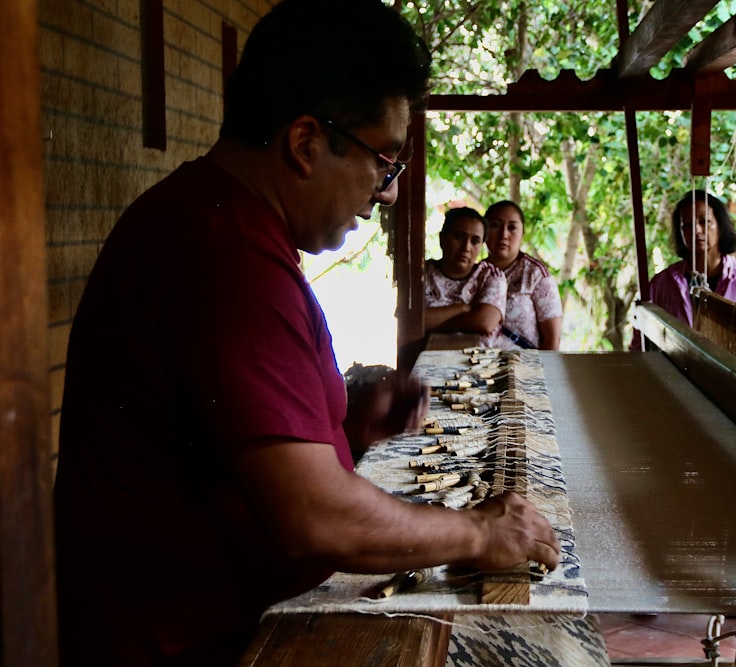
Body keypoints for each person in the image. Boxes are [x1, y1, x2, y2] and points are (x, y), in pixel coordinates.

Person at [53, 2, 559, 665]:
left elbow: (224, 454)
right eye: (384, 161)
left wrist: (341, 420)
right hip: (193, 644)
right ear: (304, 143)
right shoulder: (230, 260)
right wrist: (477, 532)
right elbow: (313, 517)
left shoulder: (207, 219)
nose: (386, 193)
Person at [633, 190, 736, 349]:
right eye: (687, 224)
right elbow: (641, 344)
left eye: (704, 221)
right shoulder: (662, 284)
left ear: (720, 226)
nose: (696, 230)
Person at [484, 200, 563, 350]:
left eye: (512, 227)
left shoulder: (536, 274)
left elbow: (552, 340)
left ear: (522, 233)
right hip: (478, 366)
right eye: (495, 225)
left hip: (524, 368)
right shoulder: (477, 273)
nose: (504, 234)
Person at [424, 206, 507, 347]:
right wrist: (462, 308)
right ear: (442, 238)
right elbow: (409, 320)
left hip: (478, 363)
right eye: (458, 237)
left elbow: (485, 322)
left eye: (475, 241)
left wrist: (431, 321)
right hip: (424, 360)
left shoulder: (491, 276)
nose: (466, 247)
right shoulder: (423, 273)